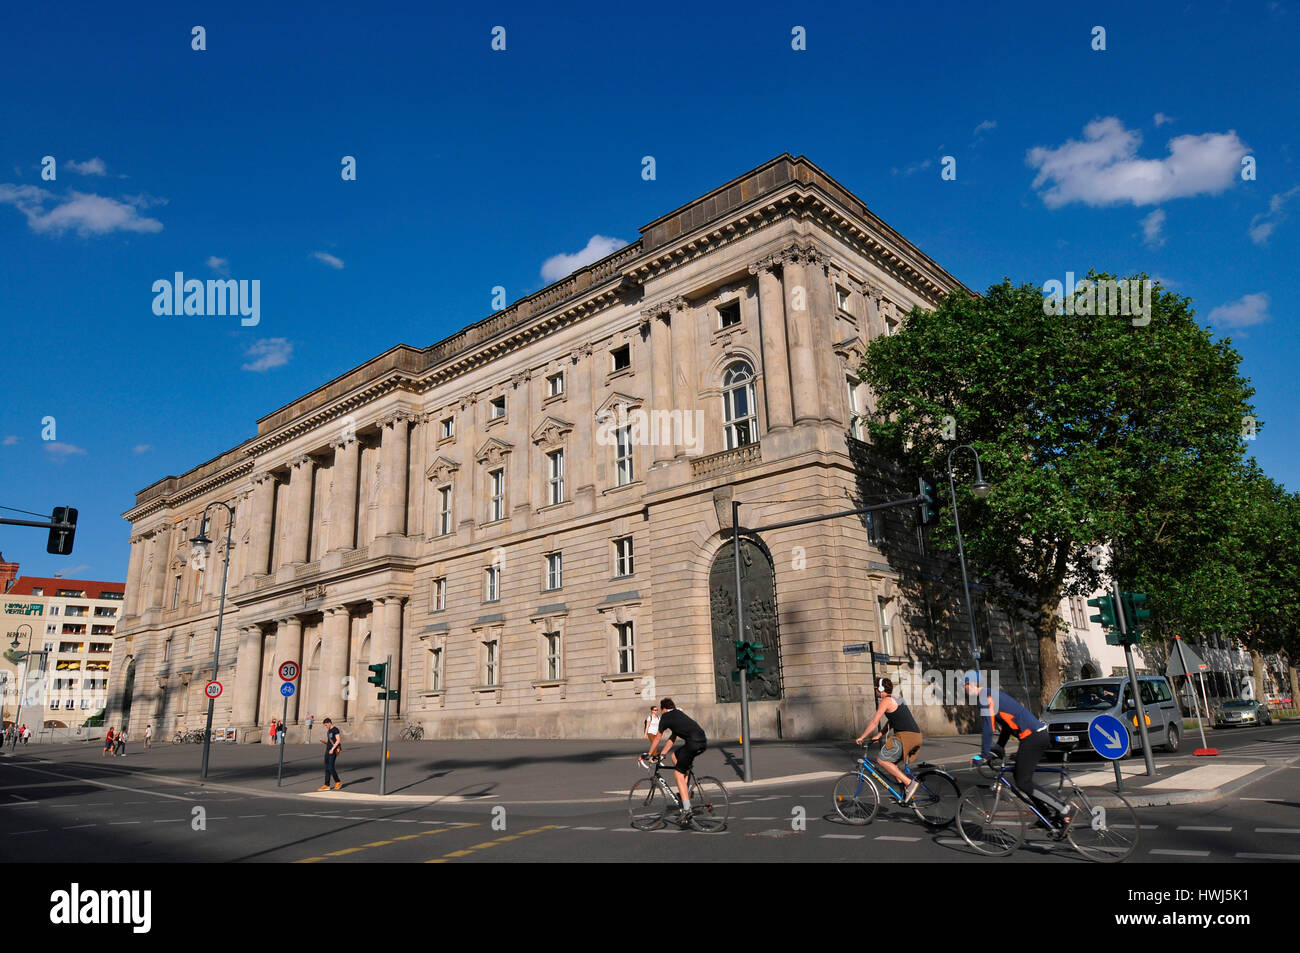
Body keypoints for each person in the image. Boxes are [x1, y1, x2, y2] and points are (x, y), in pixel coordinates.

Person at [963, 671, 1073, 826]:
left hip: (1032, 737)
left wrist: (984, 754)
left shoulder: (985, 698)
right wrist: (1000, 747)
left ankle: (1061, 808)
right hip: (1034, 736)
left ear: (971, 684)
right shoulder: (992, 695)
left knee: (1023, 782)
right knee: (1021, 778)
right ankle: (1046, 815)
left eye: (964, 686)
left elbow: (988, 728)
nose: (963, 690)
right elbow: (1008, 726)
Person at [854, 676, 924, 802]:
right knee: (892, 765)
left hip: (904, 737)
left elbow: (874, 722)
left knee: (882, 760)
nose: (875, 691)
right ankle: (905, 796)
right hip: (916, 736)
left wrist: (862, 737)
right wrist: (879, 735)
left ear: (880, 689)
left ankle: (909, 783)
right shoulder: (898, 697)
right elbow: (892, 721)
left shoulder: (885, 701)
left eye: (876, 688)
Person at [643, 698, 707, 825]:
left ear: (663, 709)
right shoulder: (678, 713)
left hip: (693, 744)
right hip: (702, 741)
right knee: (675, 756)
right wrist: (662, 754)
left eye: (661, 710)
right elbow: (672, 738)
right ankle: (686, 788)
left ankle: (687, 809)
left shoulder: (666, 717)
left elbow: (657, 738)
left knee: (677, 774)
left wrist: (650, 754)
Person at [318, 717, 342, 791]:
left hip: (333, 750)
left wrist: (332, 749)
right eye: (325, 725)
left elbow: (338, 740)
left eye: (326, 725)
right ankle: (327, 784)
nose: (326, 726)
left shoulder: (335, 729)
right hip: (328, 750)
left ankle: (338, 782)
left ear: (329, 723)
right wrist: (325, 742)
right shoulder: (328, 731)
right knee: (327, 767)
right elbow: (331, 741)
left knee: (331, 767)